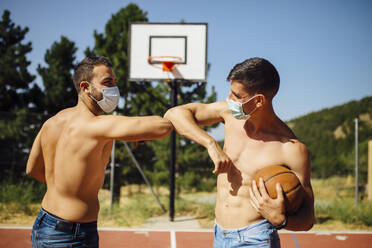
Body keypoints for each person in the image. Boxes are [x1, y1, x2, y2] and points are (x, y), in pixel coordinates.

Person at [164, 57, 314, 247]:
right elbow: (174, 114)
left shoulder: (291, 149)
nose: (229, 99)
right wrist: (210, 143)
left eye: (237, 96)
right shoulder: (228, 115)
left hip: (255, 238)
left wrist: (282, 220)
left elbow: (308, 218)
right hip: (219, 234)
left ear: (258, 100)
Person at [26, 56, 173, 248]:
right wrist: (175, 115)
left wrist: (67, 189)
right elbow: (163, 126)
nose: (114, 88)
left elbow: (32, 169)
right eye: (107, 82)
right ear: (85, 87)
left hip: (45, 224)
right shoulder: (97, 125)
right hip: (71, 234)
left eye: (114, 82)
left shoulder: (52, 122)